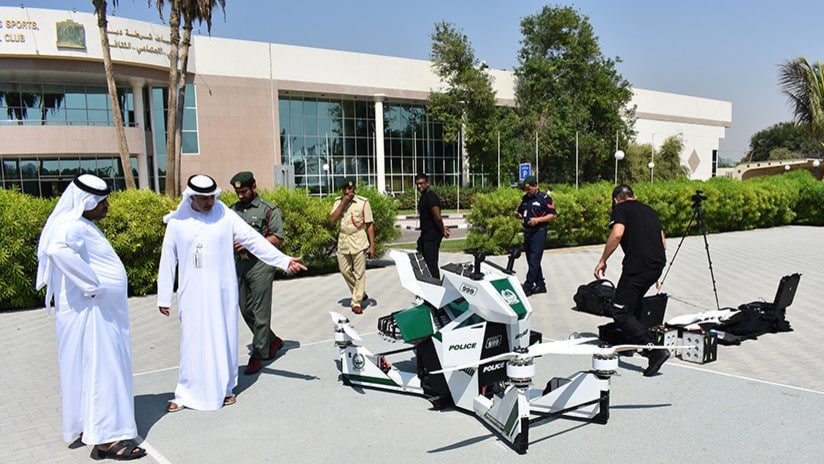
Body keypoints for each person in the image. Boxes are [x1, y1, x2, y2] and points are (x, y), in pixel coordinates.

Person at [157, 174, 306, 412]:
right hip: (192, 295)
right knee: (192, 343)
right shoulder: (177, 222)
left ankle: (225, 389)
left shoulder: (225, 215)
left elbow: (254, 241)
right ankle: (186, 393)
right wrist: (164, 296)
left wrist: (284, 261)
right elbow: (168, 259)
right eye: (204, 199)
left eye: (212, 197)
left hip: (221, 293)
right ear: (192, 197)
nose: (210, 202)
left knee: (222, 338)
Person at [35, 174, 146, 461]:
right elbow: (56, 250)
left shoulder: (80, 224)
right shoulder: (70, 226)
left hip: (99, 312)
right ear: (86, 201)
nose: (107, 205)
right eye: (101, 201)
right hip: (93, 314)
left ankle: (94, 428)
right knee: (103, 373)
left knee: (98, 372)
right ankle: (107, 441)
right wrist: (92, 285)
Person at [593, 184, 669, 377]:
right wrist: (655, 274)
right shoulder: (650, 210)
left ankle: (653, 350)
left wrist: (603, 260)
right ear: (633, 195)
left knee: (618, 310)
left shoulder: (621, 209)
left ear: (616, 199)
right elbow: (662, 241)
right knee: (632, 304)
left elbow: (617, 233)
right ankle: (628, 343)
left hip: (637, 267)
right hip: (656, 264)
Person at [229, 171, 287, 375]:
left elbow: (278, 237)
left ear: (254, 186)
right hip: (240, 264)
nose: (240, 196)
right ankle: (272, 341)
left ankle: (259, 354)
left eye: (244, 191)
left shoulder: (268, 209)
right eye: (237, 192)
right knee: (245, 309)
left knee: (260, 311)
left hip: (261, 264)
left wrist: (250, 244)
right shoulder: (232, 211)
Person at [329, 178, 375, 315]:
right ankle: (360, 292)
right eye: (346, 189)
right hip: (343, 240)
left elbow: (370, 225)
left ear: (354, 188)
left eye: (351, 188)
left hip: (359, 240)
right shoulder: (338, 202)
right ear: (343, 190)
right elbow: (332, 220)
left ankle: (356, 302)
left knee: (360, 273)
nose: (349, 191)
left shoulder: (363, 202)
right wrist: (343, 203)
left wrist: (372, 246)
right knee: (344, 270)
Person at [516, 175, 558, 296]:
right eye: (526, 189)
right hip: (528, 231)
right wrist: (518, 216)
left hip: (539, 231)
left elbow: (553, 215)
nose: (527, 191)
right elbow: (520, 212)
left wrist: (538, 220)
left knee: (534, 259)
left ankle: (528, 286)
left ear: (535, 186)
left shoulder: (544, 198)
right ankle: (540, 285)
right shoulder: (525, 198)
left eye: (529, 189)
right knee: (531, 260)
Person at [415, 173, 450, 279]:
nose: (419, 186)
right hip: (425, 235)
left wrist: (443, 229)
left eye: (421, 183)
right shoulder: (423, 197)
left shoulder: (431, 197)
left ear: (427, 183)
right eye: (417, 184)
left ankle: (436, 286)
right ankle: (427, 284)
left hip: (432, 236)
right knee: (422, 261)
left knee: (431, 265)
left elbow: (437, 217)